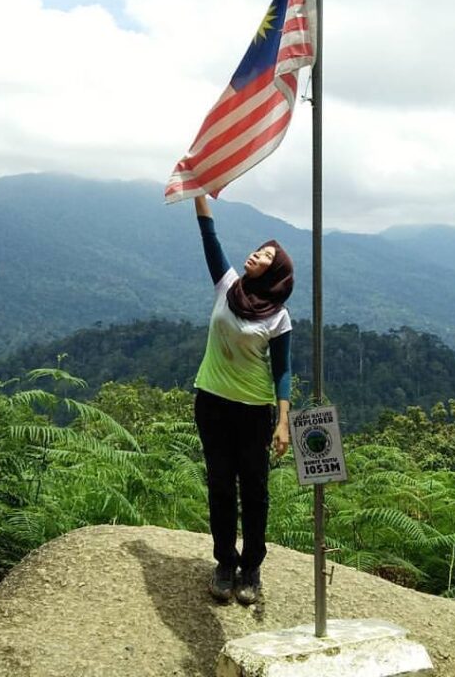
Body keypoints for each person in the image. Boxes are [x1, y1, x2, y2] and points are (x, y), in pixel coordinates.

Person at [192, 193, 293, 606]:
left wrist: (283, 422)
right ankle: (224, 563)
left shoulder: (278, 317)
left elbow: (282, 370)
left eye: (266, 255)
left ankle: (251, 568)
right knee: (219, 485)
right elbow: (209, 237)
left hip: (254, 412)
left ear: (278, 271)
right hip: (211, 403)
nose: (256, 256)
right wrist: (199, 187)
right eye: (257, 250)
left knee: (254, 491)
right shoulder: (227, 287)